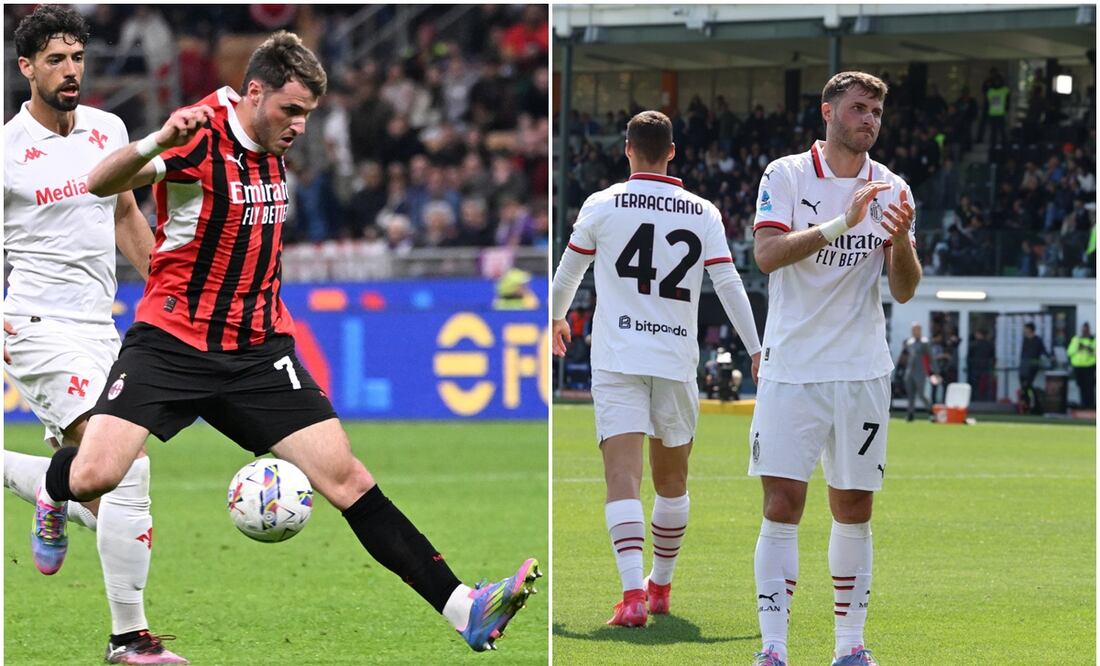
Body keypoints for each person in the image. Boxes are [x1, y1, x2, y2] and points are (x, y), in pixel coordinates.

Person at [35, 30, 538, 655]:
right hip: (172, 341)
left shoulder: (271, 138)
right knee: (94, 477)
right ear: (254, 92)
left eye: (308, 114)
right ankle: (50, 493)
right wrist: (159, 138)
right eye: (291, 110)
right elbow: (99, 183)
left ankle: (466, 607)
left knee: (348, 478)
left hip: (258, 351)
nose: (299, 126)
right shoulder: (197, 134)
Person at [3, 7, 185, 664]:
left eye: (77, 57)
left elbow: (127, 214)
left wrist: (168, 294)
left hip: (100, 327)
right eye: (56, 59)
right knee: (129, 466)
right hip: (36, 327)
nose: (71, 70)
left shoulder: (108, 130)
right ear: (26, 68)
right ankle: (129, 640)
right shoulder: (6, 153)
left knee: (100, 481)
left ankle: (52, 488)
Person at [551, 110, 761, 628]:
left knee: (622, 477)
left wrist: (555, 317)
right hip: (674, 357)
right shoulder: (703, 211)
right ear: (672, 151)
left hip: (619, 357)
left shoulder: (602, 203)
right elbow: (729, 285)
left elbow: (568, 270)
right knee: (673, 482)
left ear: (627, 149)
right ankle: (660, 587)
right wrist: (756, 348)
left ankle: (632, 596)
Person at [749, 71, 921, 666]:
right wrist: (843, 223)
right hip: (792, 368)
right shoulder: (787, 174)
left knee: (855, 508)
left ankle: (850, 648)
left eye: (875, 111)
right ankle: (773, 648)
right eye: (858, 108)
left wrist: (900, 244)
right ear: (828, 112)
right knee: (782, 506)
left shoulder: (894, 189)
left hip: (861, 372)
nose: (868, 119)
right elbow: (767, 255)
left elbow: (903, 292)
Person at [901, 322, 932, 421]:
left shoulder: (925, 342)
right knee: (910, 395)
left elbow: (931, 357)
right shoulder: (909, 342)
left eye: (917, 329)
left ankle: (931, 412)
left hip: (920, 372)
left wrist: (936, 372)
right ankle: (910, 415)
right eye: (913, 330)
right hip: (910, 371)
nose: (915, 332)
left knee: (921, 394)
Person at [1067, 322, 1095, 409]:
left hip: (1089, 366)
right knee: (1081, 386)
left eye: (1086, 330)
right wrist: (1078, 348)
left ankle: (1090, 405)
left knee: (1089, 387)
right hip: (1078, 367)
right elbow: (1069, 352)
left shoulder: (1093, 340)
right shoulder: (1076, 339)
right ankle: (1083, 404)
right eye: (1083, 329)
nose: (1084, 331)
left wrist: (1088, 348)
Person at [1019, 322, 1053, 392]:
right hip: (1025, 363)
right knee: (1022, 383)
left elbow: (1043, 350)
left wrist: (1050, 357)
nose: (1024, 330)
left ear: (1030, 329)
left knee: (1028, 383)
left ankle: (1031, 399)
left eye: (1025, 329)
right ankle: (1026, 400)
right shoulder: (1025, 340)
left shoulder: (1038, 340)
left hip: (1033, 363)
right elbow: (1023, 352)